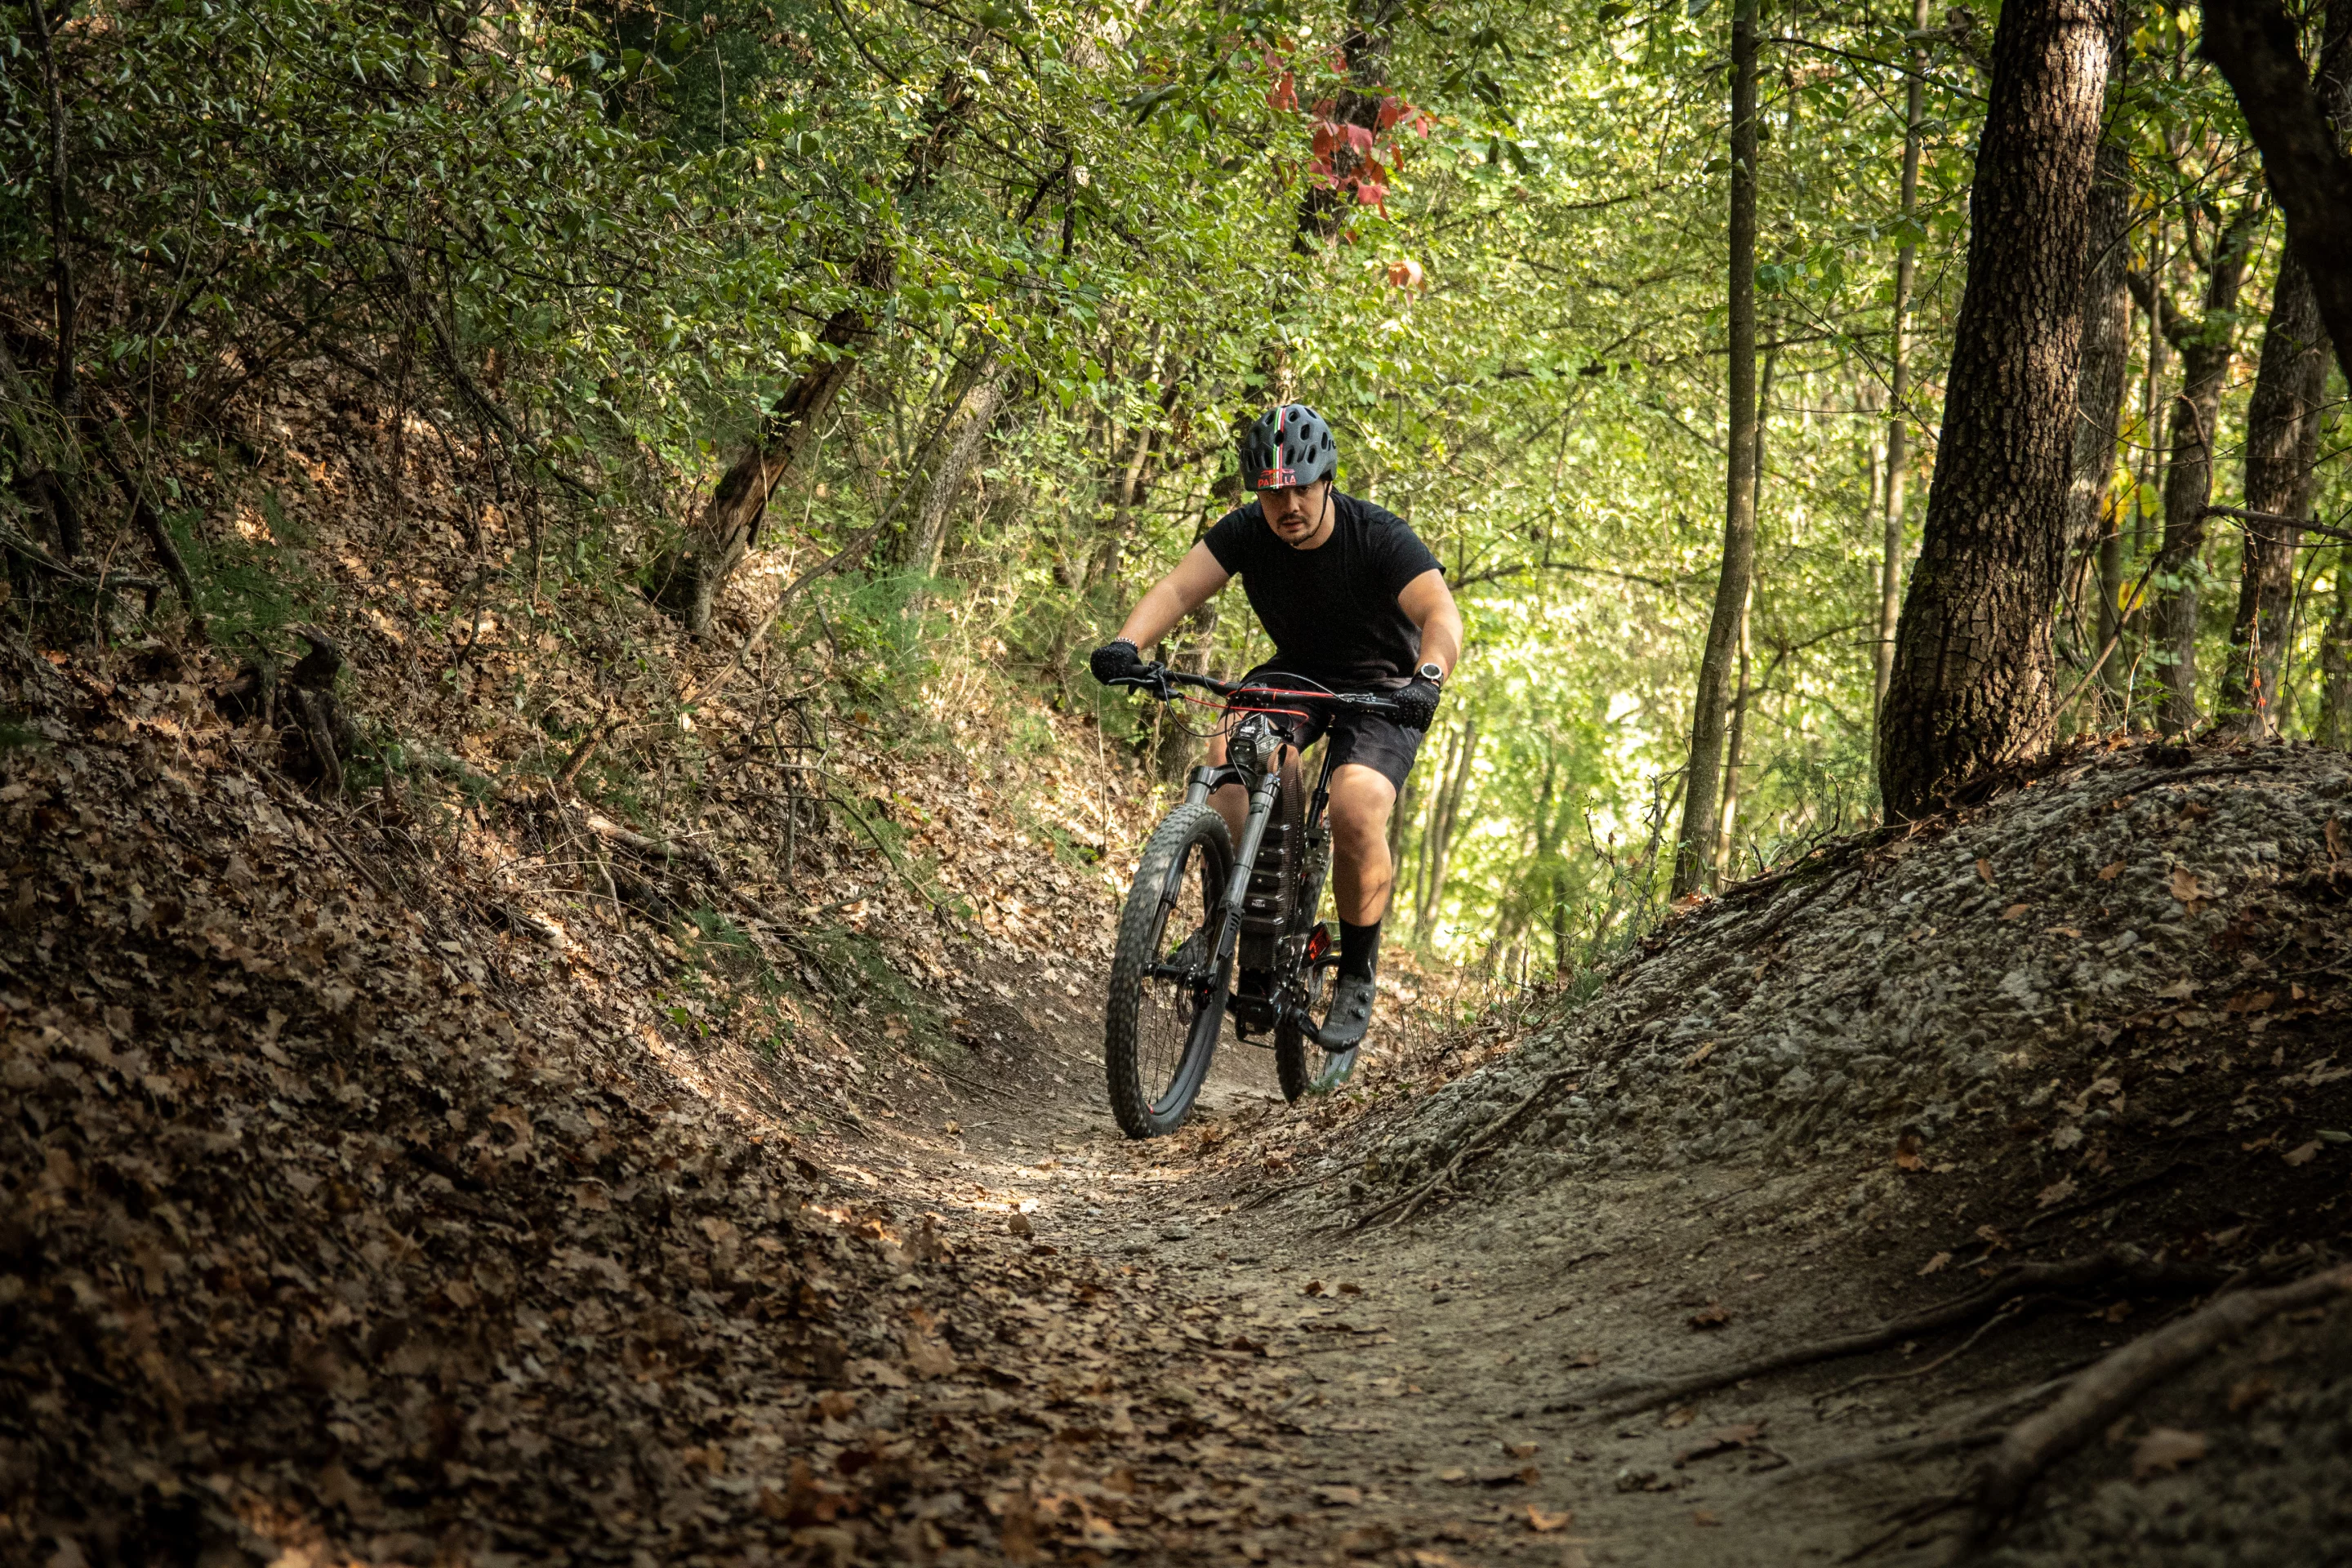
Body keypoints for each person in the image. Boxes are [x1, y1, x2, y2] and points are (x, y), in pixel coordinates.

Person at [1087, 403, 1463, 1050]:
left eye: (1299, 488)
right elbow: (1179, 591)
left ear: (1326, 481)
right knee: (1230, 753)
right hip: (1295, 674)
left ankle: (1355, 973)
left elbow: (1440, 613)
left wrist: (1427, 679)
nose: (1286, 504)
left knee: (1355, 807)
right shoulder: (1246, 533)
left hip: (1383, 687)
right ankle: (1223, 922)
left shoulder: (1378, 536)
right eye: (1271, 492)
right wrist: (1128, 643)